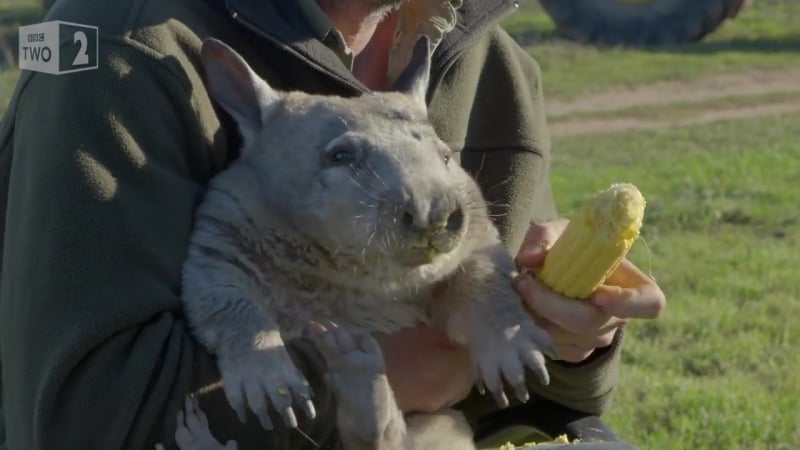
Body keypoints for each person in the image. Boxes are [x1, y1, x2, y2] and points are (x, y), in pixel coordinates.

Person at [0, 0, 665, 448]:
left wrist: (573, 336)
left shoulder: (492, 65)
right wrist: (389, 373)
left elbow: (545, 407)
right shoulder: (107, 47)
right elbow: (80, 423)